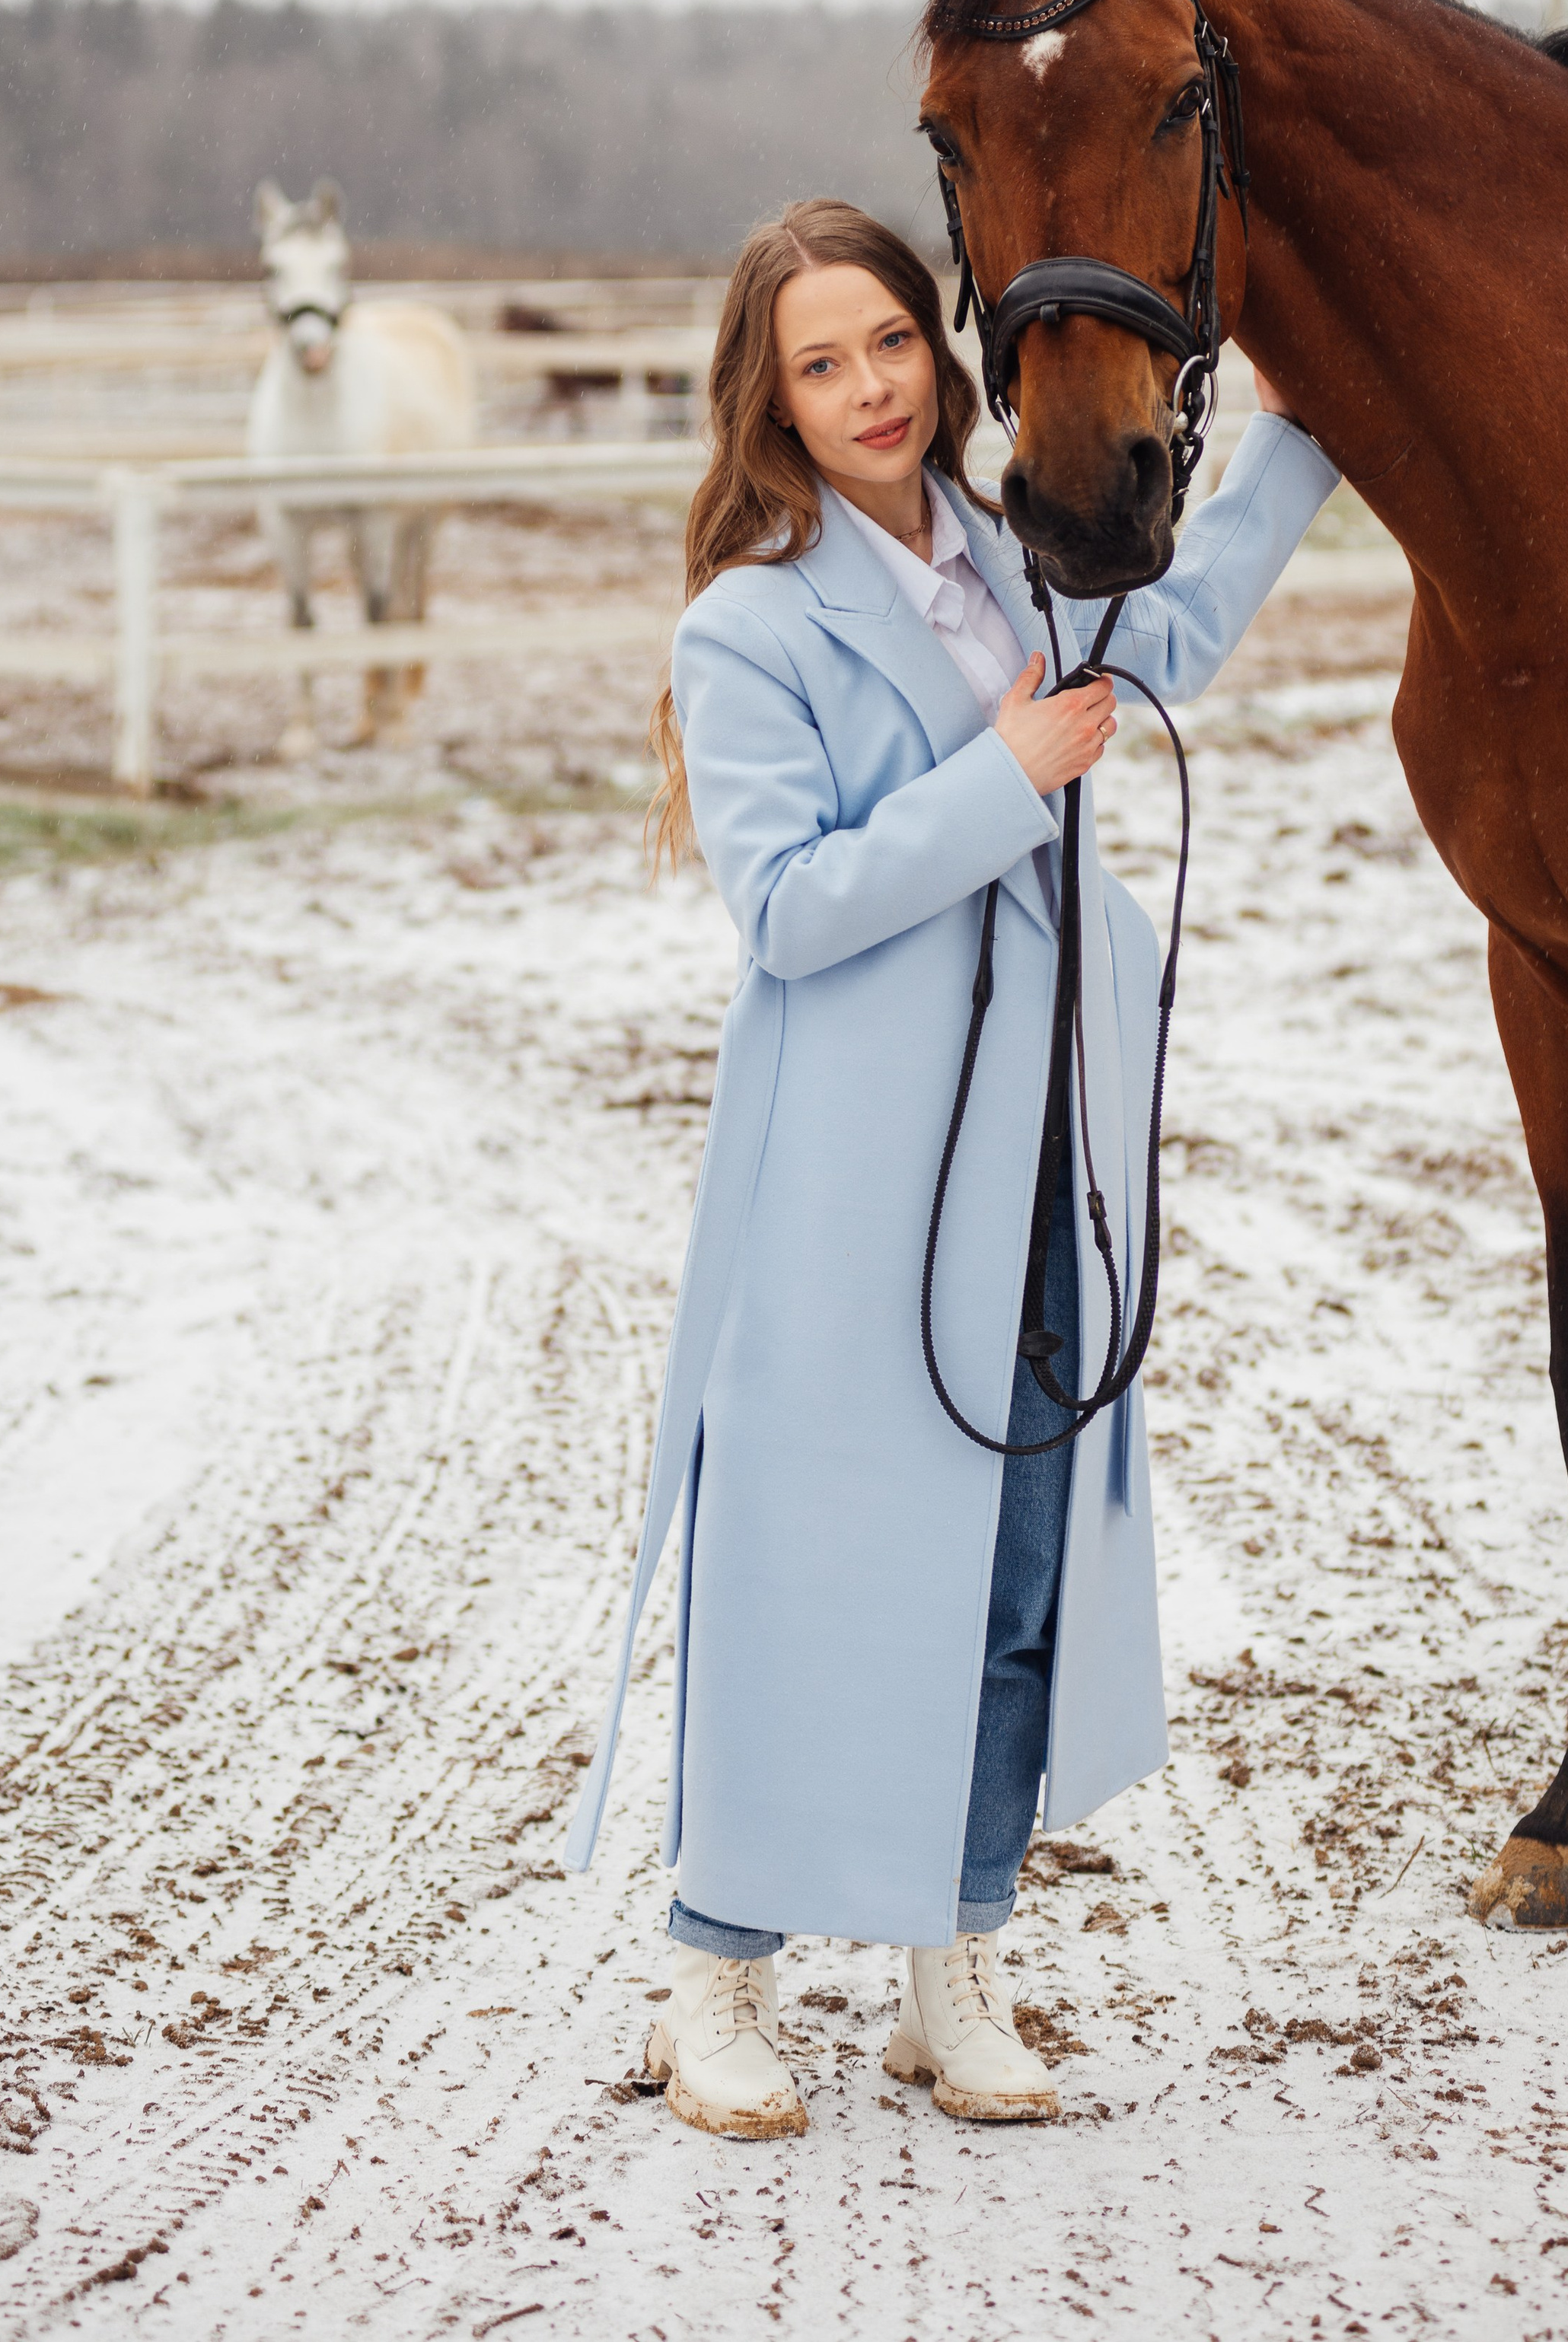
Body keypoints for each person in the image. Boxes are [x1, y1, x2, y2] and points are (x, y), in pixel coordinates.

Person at [564, 199, 1336, 2136]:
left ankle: (951, 1951)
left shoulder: (1016, 557)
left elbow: (1167, 639)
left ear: (944, 344)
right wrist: (1000, 776)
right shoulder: (745, 623)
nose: (866, 392)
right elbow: (793, 906)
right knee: (797, 1562)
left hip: (1039, 1146)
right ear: (773, 398)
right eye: (818, 365)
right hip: (850, 1168)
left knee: (1007, 1572)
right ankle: (714, 1965)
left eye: (888, 346)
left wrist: (1308, 431)